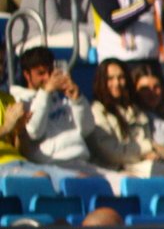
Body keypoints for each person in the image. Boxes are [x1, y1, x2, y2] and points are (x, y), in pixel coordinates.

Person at [86, 59, 164, 184]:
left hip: (140, 165)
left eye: (120, 78)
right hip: (112, 169)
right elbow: (111, 153)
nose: (116, 83)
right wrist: (147, 149)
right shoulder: (96, 111)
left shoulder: (134, 110)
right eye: (110, 79)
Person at [13, 47, 100, 181]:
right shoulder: (21, 101)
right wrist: (45, 93)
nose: (47, 77)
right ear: (26, 75)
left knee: (130, 180)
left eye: (50, 71)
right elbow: (34, 132)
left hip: (82, 163)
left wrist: (78, 100)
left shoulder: (61, 98)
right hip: (52, 165)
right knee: (88, 183)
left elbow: (87, 129)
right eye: (41, 73)